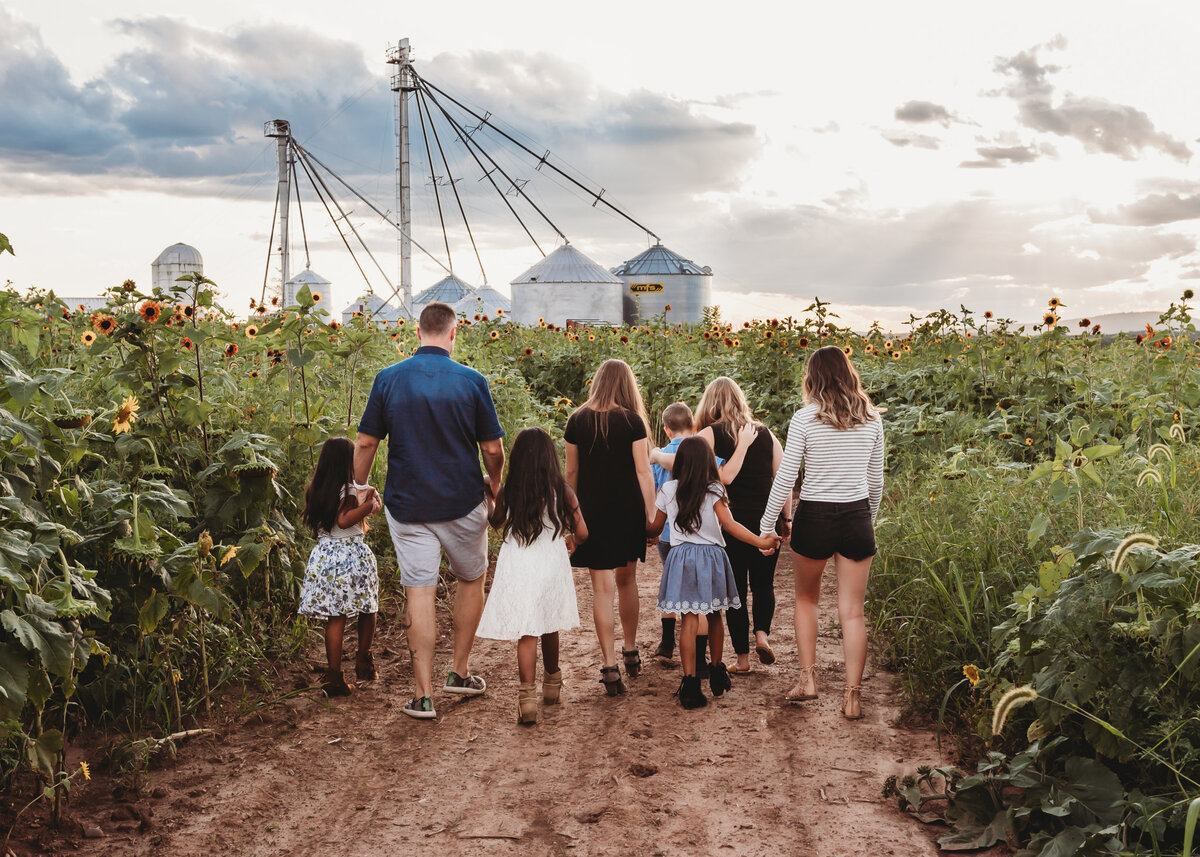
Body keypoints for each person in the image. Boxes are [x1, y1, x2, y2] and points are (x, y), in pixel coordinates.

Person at [354, 301, 505, 720]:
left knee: (417, 591)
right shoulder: (472, 381)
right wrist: (494, 484)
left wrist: (357, 490)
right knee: (471, 579)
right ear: (453, 334)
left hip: (408, 506)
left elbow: (366, 443)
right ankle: (458, 671)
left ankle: (422, 696)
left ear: (418, 333)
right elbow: (491, 448)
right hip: (462, 503)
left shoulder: (388, 379)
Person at [760, 345, 884, 720]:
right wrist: (868, 519)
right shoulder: (873, 418)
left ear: (812, 378)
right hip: (856, 515)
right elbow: (875, 480)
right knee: (853, 613)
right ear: (849, 374)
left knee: (806, 601)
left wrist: (767, 526)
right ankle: (852, 698)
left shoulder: (804, 418)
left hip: (814, 516)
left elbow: (786, 478)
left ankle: (808, 681)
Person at [648, 436, 778, 708]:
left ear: (679, 463)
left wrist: (640, 533)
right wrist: (760, 541)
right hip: (712, 557)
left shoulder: (669, 490)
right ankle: (717, 670)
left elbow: (654, 528)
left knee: (689, 619)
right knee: (715, 614)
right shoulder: (715, 490)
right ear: (709, 462)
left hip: (681, 557)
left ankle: (690, 683)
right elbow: (730, 526)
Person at [476, 428, 589, 725]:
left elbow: (497, 522)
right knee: (549, 623)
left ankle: (527, 699)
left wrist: (489, 496)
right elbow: (583, 532)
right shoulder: (563, 491)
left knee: (527, 630)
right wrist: (572, 541)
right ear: (550, 458)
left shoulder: (511, 490)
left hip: (519, 562)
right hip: (550, 561)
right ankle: (552, 684)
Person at [564, 359, 656, 696]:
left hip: (590, 513)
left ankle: (609, 664)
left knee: (601, 589)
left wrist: (569, 514)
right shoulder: (632, 421)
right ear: (626, 385)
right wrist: (651, 514)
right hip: (626, 510)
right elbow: (644, 472)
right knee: (627, 580)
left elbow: (570, 474)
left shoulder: (576, 420)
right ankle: (630, 649)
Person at [694, 377, 785, 675]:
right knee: (762, 585)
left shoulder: (707, 434)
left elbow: (712, 477)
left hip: (727, 525)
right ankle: (762, 635)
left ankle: (743, 660)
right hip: (765, 521)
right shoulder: (767, 434)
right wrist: (786, 520)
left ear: (710, 403)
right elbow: (783, 480)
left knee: (734, 593)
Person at [298, 437, 383, 697]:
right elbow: (345, 521)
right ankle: (363, 660)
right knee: (368, 607)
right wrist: (369, 505)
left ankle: (333, 675)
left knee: (335, 617)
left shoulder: (317, 488)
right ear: (349, 461)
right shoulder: (347, 488)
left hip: (325, 554)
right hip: (350, 553)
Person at [648, 402, 726, 668]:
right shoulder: (705, 454)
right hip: (703, 541)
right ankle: (703, 658)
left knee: (674, 591)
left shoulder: (658, 461)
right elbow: (721, 477)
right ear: (694, 427)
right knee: (702, 599)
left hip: (671, 537)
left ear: (667, 430)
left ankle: (667, 642)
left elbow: (653, 493)